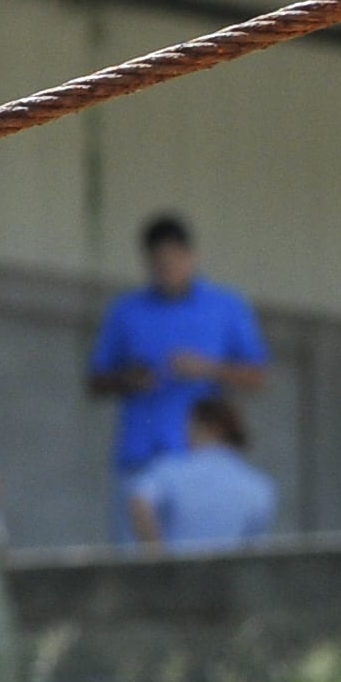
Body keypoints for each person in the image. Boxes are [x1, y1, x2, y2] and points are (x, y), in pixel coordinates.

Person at [88, 214, 266, 527]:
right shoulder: (126, 311)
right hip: (141, 458)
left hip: (201, 461)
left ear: (191, 257)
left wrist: (207, 368)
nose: (167, 270)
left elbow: (257, 376)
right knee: (138, 567)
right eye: (159, 263)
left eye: (174, 261)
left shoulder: (225, 307)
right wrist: (128, 379)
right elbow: (94, 381)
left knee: (198, 564)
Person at [126, 396, 281, 551]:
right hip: (228, 573)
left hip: (178, 570)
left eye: (189, 427)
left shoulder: (171, 470)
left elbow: (139, 501)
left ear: (207, 427)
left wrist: (156, 556)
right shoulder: (259, 485)